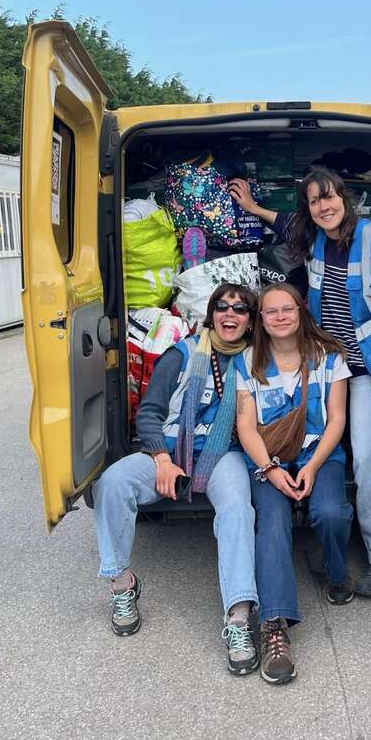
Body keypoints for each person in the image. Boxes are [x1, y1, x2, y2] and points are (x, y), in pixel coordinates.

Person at [230, 170, 371, 604]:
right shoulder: (315, 240)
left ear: (344, 198)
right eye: (313, 201)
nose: (323, 206)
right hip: (359, 371)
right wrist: (252, 208)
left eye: (328, 197)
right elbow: (288, 223)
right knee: (365, 461)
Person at [91, 283, 260, 674]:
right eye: (222, 306)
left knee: (237, 506)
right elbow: (149, 413)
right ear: (211, 313)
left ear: (251, 321)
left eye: (240, 309)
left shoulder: (257, 360)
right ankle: (121, 583)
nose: (230, 315)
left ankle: (238, 616)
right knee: (112, 483)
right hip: (168, 451)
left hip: (224, 455)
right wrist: (163, 460)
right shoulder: (182, 354)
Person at [235, 283, 353, 685]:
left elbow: (336, 419)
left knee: (331, 512)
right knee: (270, 523)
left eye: (288, 309)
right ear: (261, 320)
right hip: (269, 460)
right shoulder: (248, 361)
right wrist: (270, 469)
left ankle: (336, 574)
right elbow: (246, 427)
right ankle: (274, 626)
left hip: (320, 455)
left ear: (302, 312)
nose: (281, 317)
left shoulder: (329, 357)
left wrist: (315, 465)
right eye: (271, 311)